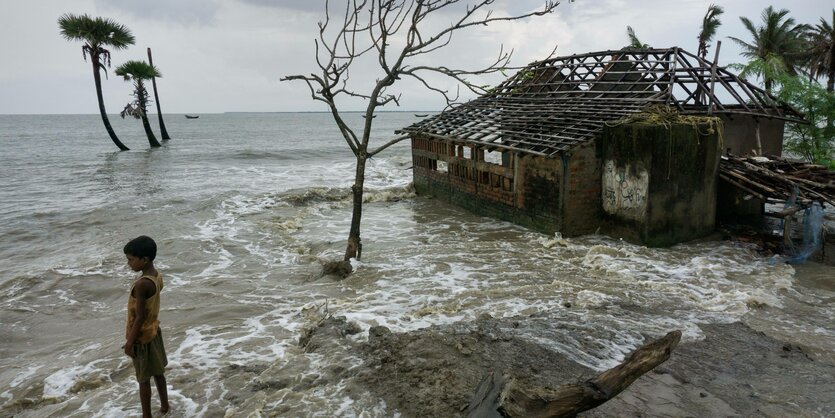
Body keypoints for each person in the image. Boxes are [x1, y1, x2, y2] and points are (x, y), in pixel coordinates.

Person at [123, 235, 170, 417]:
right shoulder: (156, 276)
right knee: (158, 372)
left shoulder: (142, 284)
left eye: (131, 259)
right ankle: (165, 406)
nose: (129, 263)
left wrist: (129, 343)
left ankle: (146, 415)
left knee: (143, 379)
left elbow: (140, 316)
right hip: (154, 331)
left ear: (145, 259)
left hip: (142, 337)